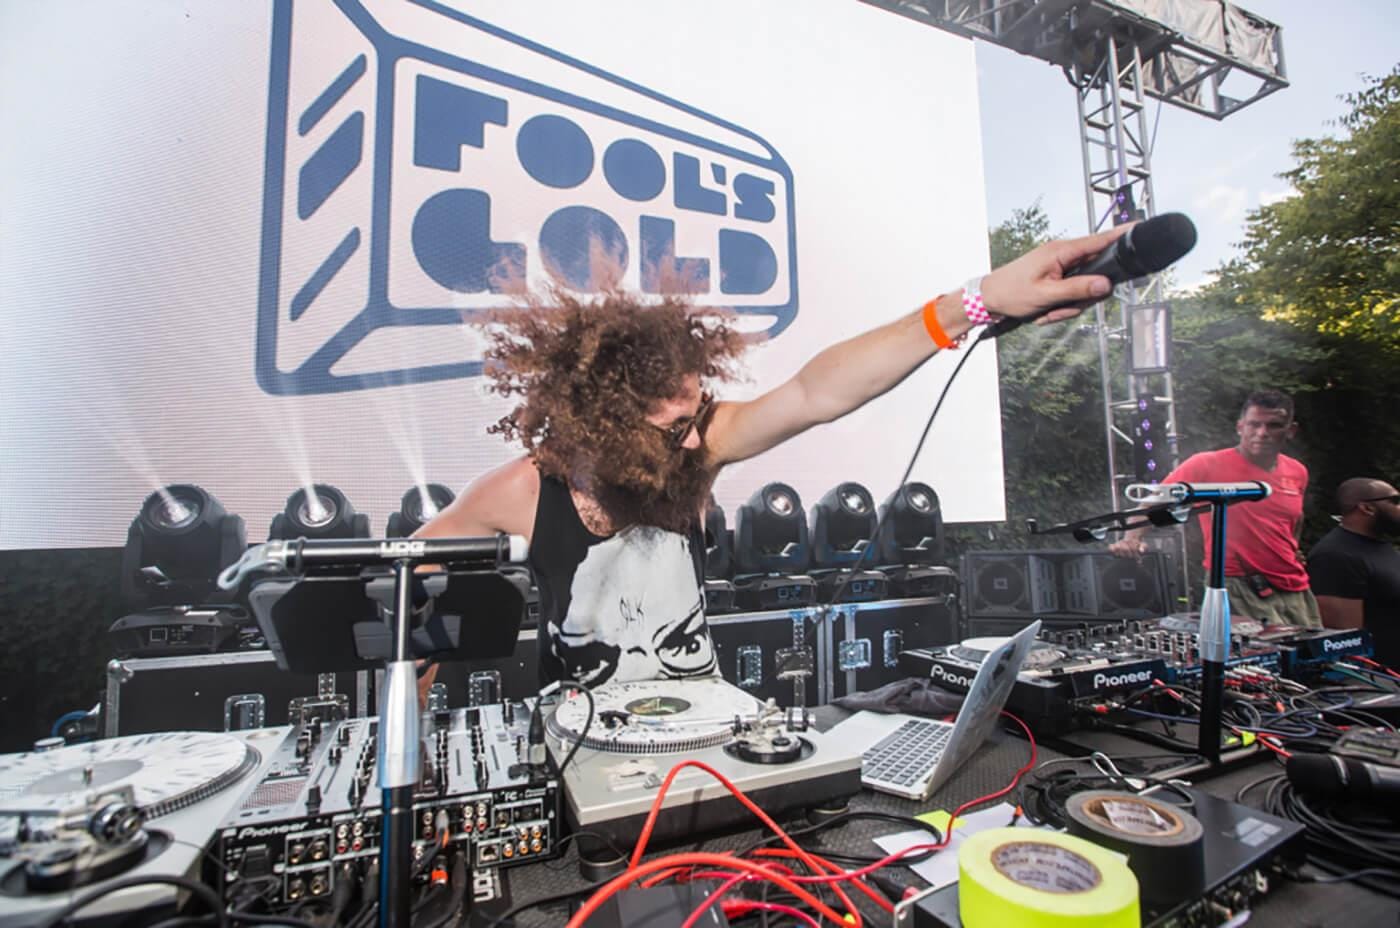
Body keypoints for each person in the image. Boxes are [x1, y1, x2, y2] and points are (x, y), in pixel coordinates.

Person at [417, 227, 1130, 687]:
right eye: (672, 428)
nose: (696, 440)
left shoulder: (698, 449)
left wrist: (972, 304)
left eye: (697, 415)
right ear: (602, 425)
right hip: (579, 747)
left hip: (703, 735)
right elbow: (402, 587)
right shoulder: (519, 491)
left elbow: (818, 391)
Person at [1110, 390, 1321, 628]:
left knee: (1313, 658)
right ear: (1240, 427)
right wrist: (1131, 539)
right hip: (1238, 584)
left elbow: (1295, 517)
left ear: (1290, 430)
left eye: (1274, 425)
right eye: (1254, 424)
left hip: (1294, 586)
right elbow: (1152, 502)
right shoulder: (1206, 464)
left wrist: (1293, 548)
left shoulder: (1296, 471)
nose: (1262, 433)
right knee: (1262, 659)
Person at [1307, 477, 1400, 667]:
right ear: (1367, 508)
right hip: (1383, 679)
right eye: (1395, 501)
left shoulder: (1380, 545)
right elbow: (1347, 643)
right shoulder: (1334, 556)